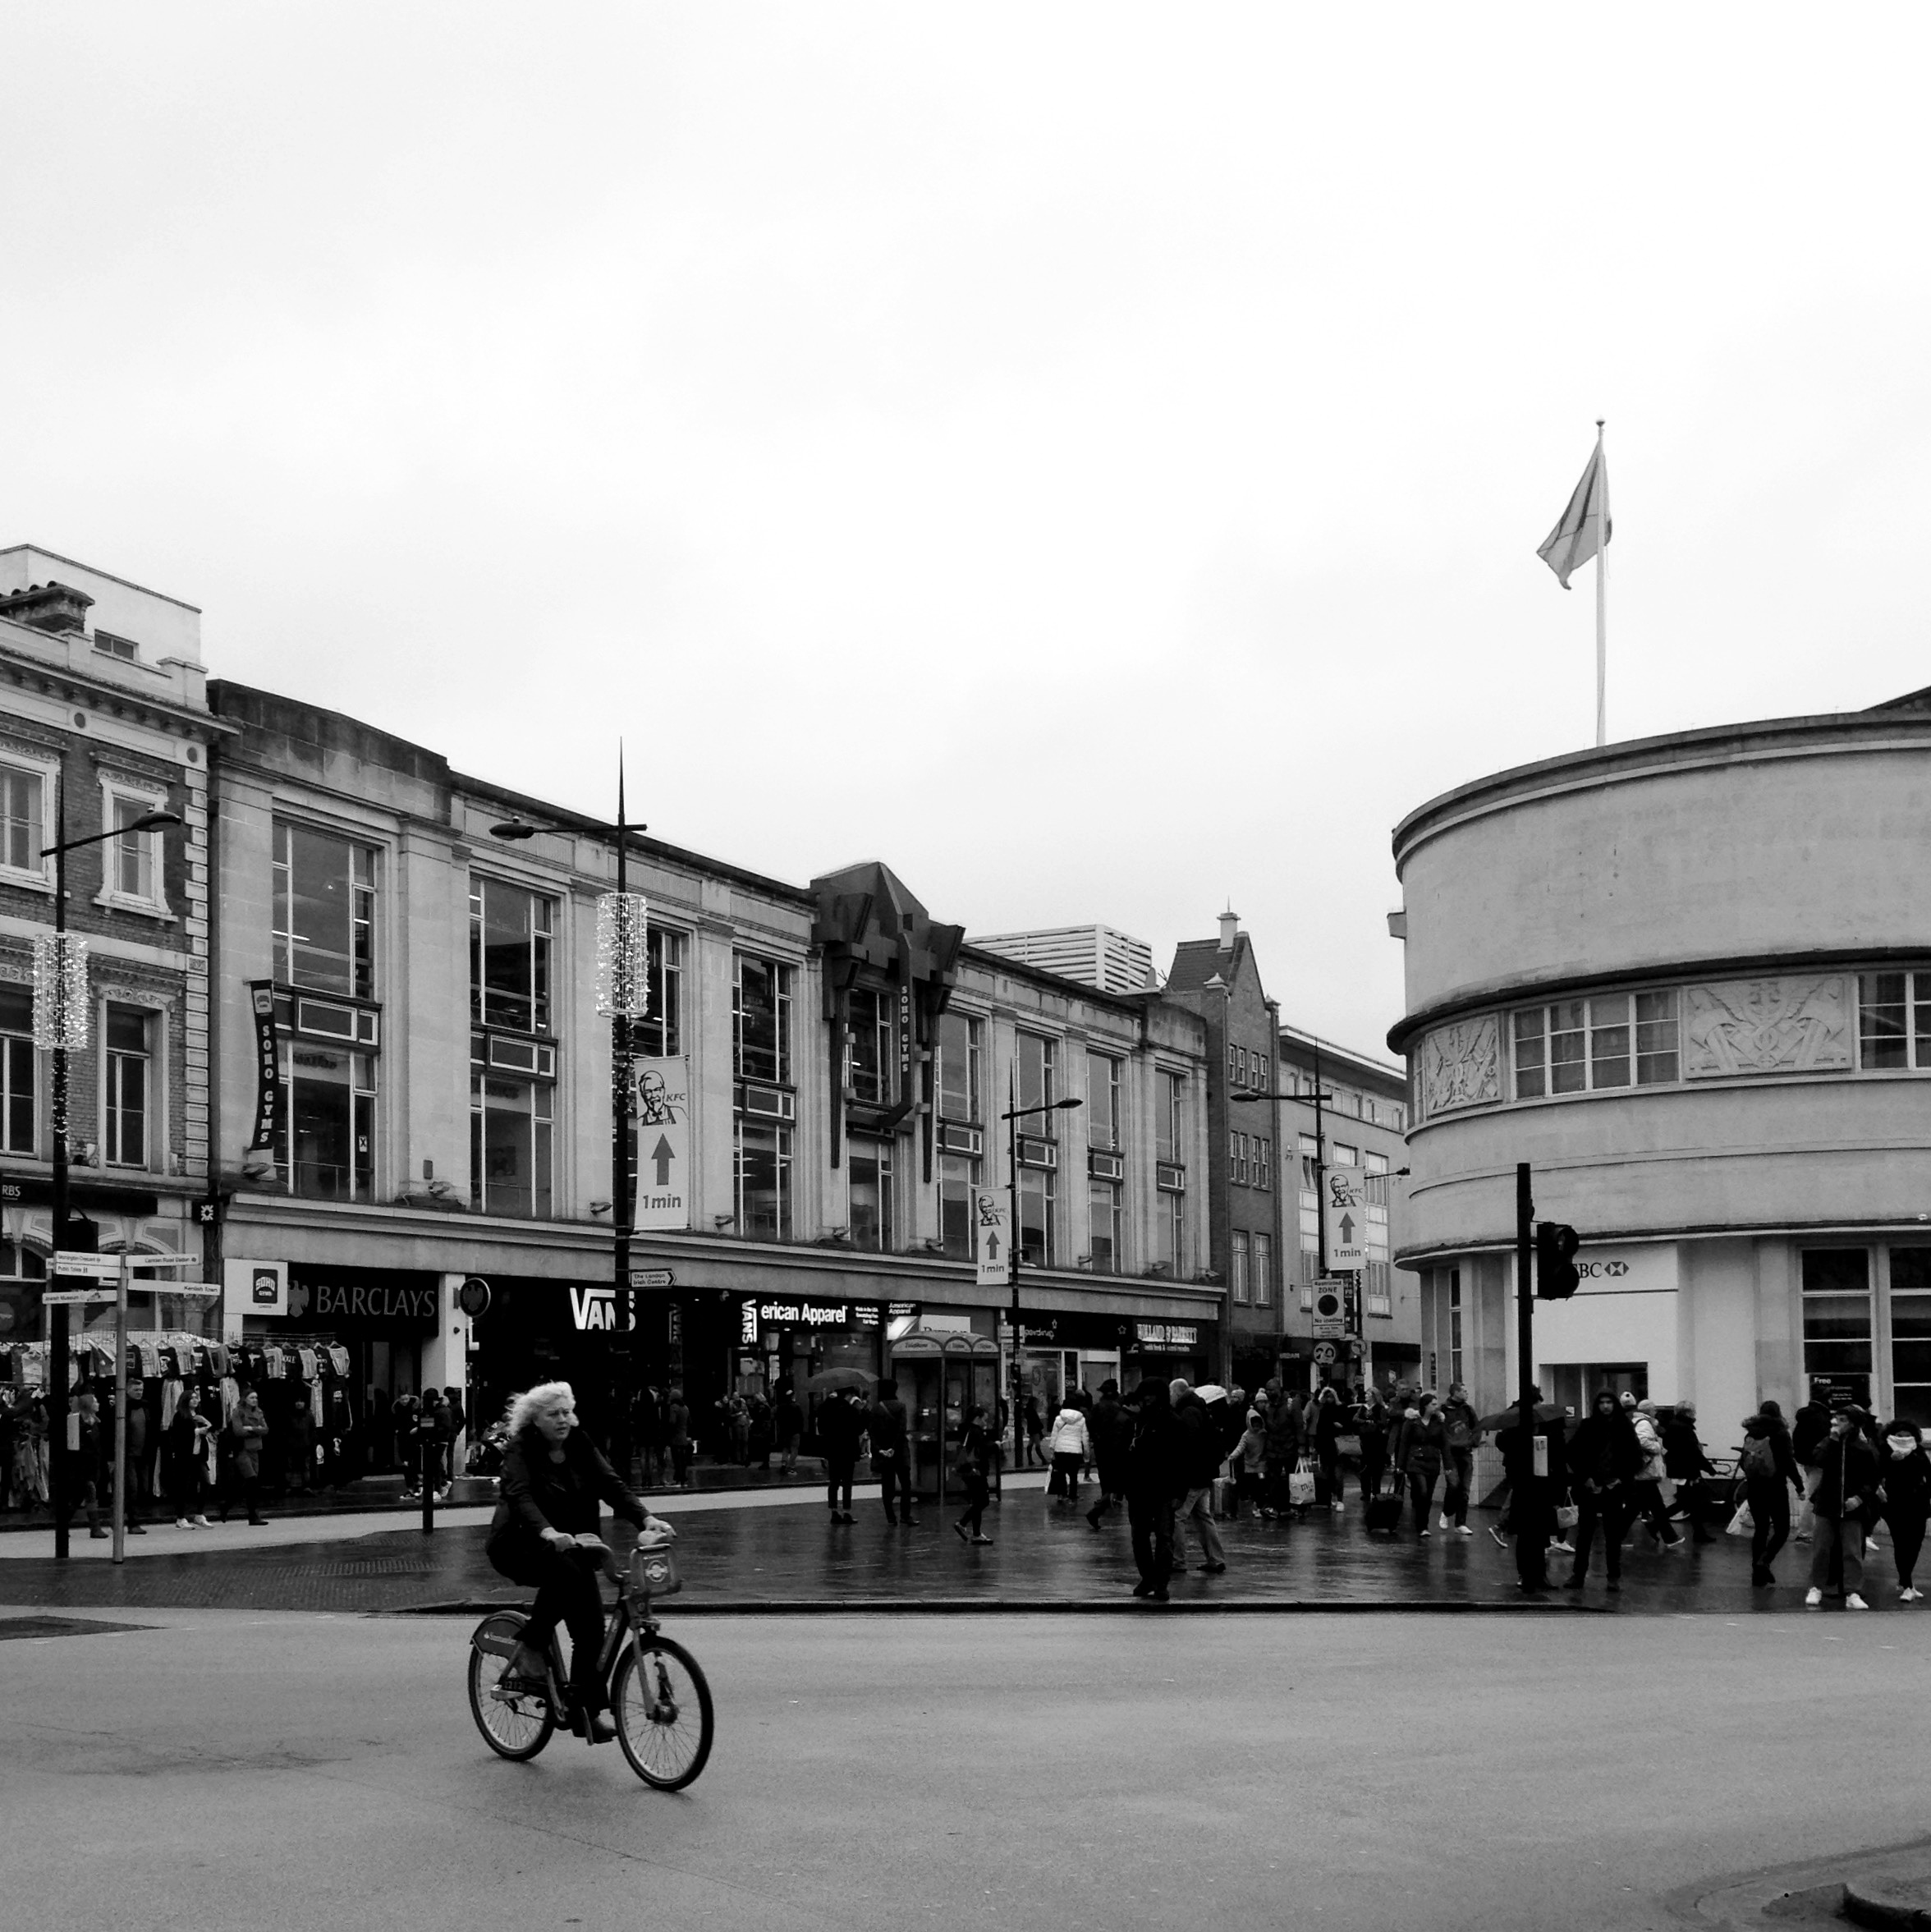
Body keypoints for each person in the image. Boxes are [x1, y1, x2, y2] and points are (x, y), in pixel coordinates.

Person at [486, 1381, 670, 1743]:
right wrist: (547, 1531)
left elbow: (611, 1484)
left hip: (574, 1545)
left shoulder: (580, 1443)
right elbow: (519, 1495)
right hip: (521, 1542)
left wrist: (646, 1518)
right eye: (554, 1414)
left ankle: (584, 1711)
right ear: (534, 1420)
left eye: (567, 1412)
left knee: (590, 1633)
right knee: (566, 1572)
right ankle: (532, 1645)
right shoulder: (521, 1450)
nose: (564, 1420)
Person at [1563, 1388, 1641, 1591]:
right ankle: (1578, 1575)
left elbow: (1635, 1457)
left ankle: (1613, 1576)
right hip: (1590, 1486)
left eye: (1609, 1402)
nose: (1605, 1406)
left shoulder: (1624, 1427)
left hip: (1613, 1487)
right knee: (1585, 1534)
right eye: (1602, 1403)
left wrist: (1620, 1480)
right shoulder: (1588, 1426)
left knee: (1613, 1535)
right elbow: (1572, 1452)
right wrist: (1584, 1477)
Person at [1806, 1407, 1878, 1609]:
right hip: (1826, 1504)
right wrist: (1832, 1440)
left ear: (1853, 1424)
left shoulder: (1864, 1449)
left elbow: (1872, 1479)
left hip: (1852, 1507)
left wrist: (1860, 1498)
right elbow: (1817, 1460)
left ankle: (1852, 1591)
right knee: (1821, 1548)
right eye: (1836, 1419)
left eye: (1843, 1420)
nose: (1838, 1423)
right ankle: (1816, 1586)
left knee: (1852, 1551)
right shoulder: (1828, 1443)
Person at [1495, 1390, 1565, 1590]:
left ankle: (1540, 1574)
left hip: (1544, 1485)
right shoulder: (1514, 1424)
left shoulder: (1549, 1424)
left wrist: (1559, 1487)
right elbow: (1503, 1444)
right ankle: (1526, 1574)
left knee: (1541, 1533)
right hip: (1524, 1484)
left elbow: (1559, 1453)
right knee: (1526, 1533)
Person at [1124, 1379, 1183, 1601]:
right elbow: (1126, 1457)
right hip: (1139, 1490)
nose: (1147, 1399)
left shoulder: (1172, 1422)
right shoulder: (1136, 1422)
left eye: (1151, 1394)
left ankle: (1160, 1581)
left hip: (1163, 1490)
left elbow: (1181, 1460)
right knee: (1139, 1537)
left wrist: (1179, 1492)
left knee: (1164, 1538)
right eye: (1144, 1395)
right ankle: (1149, 1577)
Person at [1736, 1401, 1805, 1586]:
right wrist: (1799, 1486)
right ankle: (1764, 1561)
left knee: (1761, 1529)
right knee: (1782, 1529)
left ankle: (1756, 1574)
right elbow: (1789, 1462)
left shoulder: (1751, 1433)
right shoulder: (1780, 1433)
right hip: (1775, 1486)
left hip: (1754, 1487)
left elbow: (1743, 1461)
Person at [1171, 1381, 1228, 1574]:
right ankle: (1216, 1558)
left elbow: (1189, 1444)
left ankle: (1177, 1560)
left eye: (1171, 1393)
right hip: (1204, 1473)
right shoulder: (1201, 1409)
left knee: (1177, 1516)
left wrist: (1182, 1473)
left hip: (1192, 1475)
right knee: (1203, 1516)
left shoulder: (1188, 1412)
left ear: (1177, 1393)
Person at [1878, 1420, 1929, 1601]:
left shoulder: (1918, 1451)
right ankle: (1907, 1584)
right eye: (1899, 1435)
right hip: (1895, 1502)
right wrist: (1891, 1462)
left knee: (1915, 1542)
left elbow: (1928, 1473)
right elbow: (1877, 1472)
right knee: (1901, 1543)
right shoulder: (1885, 1451)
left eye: (1907, 1435)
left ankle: (1905, 1581)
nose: (1903, 1439)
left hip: (1918, 1502)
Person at [1390, 1391, 1450, 1539]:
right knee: (1422, 1491)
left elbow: (1444, 1444)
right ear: (1425, 1406)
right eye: (1433, 1404)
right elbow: (1404, 1444)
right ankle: (1421, 1525)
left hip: (1432, 1462)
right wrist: (1400, 1466)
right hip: (1415, 1461)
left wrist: (1448, 1465)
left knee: (1427, 1496)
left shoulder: (1438, 1422)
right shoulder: (1412, 1422)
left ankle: (1423, 1524)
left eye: (1437, 1404)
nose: (1436, 1407)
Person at [1662, 1400, 1718, 1544]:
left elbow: (1667, 1444)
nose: (1695, 1414)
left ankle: (1699, 1533)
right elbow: (1694, 1451)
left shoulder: (1673, 1425)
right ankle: (1657, 1522)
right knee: (1687, 1502)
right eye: (1693, 1411)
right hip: (1686, 1470)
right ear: (1687, 1413)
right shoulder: (1685, 1428)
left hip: (1679, 1469)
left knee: (1690, 1503)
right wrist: (1709, 1468)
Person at [165, 1389, 214, 1529]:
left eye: (196, 1398)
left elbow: (211, 1429)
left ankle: (199, 1514)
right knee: (183, 1487)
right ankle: (180, 1518)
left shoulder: (199, 1416)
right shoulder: (180, 1416)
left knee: (206, 1482)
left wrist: (205, 1422)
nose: (195, 1400)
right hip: (185, 1456)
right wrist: (198, 1431)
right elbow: (179, 1435)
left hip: (199, 1456)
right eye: (191, 1398)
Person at [1085, 1379, 1130, 1527]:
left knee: (1105, 1474)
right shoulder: (1120, 1408)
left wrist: (1097, 1438)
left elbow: (1090, 1424)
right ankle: (1112, 1498)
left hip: (1102, 1447)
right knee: (1119, 1478)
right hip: (1119, 1448)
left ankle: (1106, 1497)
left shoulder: (1098, 1408)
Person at [869, 1379, 915, 1526]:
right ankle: (905, 1515)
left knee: (887, 1484)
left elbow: (872, 1431)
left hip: (883, 1452)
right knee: (905, 1484)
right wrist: (894, 1448)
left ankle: (890, 1517)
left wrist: (879, 1449)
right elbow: (901, 1429)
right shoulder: (900, 1406)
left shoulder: (875, 1409)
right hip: (900, 1451)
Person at [1790, 1383, 1832, 1542]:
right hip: (1818, 1463)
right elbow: (1826, 1441)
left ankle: (1809, 1531)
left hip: (1809, 1461)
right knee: (1816, 1496)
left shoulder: (1806, 1416)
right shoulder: (1820, 1418)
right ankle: (1804, 1532)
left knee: (1816, 1495)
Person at [1438, 1382, 1482, 1535]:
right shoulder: (1443, 1410)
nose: (1466, 1393)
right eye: (1463, 1391)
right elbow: (1439, 1429)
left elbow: (1476, 1427)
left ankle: (1460, 1523)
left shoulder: (1468, 1410)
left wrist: (1473, 1442)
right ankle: (1447, 1512)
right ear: (1455, 1392)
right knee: (1453, 1485)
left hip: (1465, 1452)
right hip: (1450, 1454)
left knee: (1465, 1489)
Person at [222, 1388, 270, 1526]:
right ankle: (253, 1515)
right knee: (252, 1480)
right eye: (251, 1398)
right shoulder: (238, 1412)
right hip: (242, 1449)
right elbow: (238, 1431)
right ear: (244, 1399)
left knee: (243, 1484)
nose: (254, 1400)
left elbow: (266, 1429)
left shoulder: (259, 1412)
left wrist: (251, 1429)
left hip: (255, 1449)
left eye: (256, 1398)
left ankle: (226, 1505)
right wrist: (257, 1430)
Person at [817, 1386, 862, 1523]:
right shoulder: (851, 1410)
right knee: (847, 1482)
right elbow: (859, 1429)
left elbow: (822, 1428)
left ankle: (834, 1511)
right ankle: (847, 1511)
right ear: (848, 1395)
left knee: (834, 1481)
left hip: (833, 1449)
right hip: (848, 1449)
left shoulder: (826, 1407)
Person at [952, 1403, 993, 1544]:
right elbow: (983, 1450)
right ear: (977, 1418)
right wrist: (996, 1446)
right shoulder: (976, 1432)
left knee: (978, 1501)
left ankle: (977, 1533)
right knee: (983, 1501)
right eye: (984, 1420)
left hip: (967, 1470)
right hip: (976, 1470)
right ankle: (962, 1523)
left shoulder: (965, 1430)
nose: (985, 1423)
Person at [1262, 1379, 1301, 1520]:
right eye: (1267, 1389)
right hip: (1273, 1448)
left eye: (1272, 1389)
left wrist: (1302, 1446)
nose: (1269, 1392)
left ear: (1279, 1389)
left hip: (1290, 1446)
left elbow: (1299, 1426)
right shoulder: (1267, 1406)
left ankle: (1296, 1507)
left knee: (1294, 1479)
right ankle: (1274, 1507)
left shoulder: (1291, 1404)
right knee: (1273, 1479)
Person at [1046, 1398, 1092, 1509]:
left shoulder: (1058, 1419)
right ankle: (1072, 1497)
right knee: (1073, 1475)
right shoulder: (1081, 1420)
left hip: (1060, 1449)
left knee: (1060, 1473)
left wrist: (1052, 1450)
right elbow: (1085, 1439)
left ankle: (1061, 1495)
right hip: (1075, 1451)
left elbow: (1054, 1436)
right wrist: (1087, 1454)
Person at [665, 1385, 693, 1487]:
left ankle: (677, 1478)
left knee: (676, 1460)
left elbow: (672, 1422)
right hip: (684, 1436)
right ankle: (683, 1478)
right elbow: (690, 1422)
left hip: (675, 1437)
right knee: (683, 1460)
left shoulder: (674, 1407)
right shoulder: (685, 1407)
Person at [773, 1387, 805, 1478]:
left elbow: (778, 1418)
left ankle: (784, 1463)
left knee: (785, 1448)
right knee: (794, 1449)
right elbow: (801, 1419)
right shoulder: (797, 1407)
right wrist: (800, 1430)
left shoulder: (781, 1407)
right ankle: (791, 1465)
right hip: (795, 1431)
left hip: (785, 1431)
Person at [1021, 1393, 1045, 1469]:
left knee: (1030, 1444)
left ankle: (1030, 1460)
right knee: (1037, 1445)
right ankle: (1042, 1459)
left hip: (1032, 1429)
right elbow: (1036, 1421)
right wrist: (1040, 1427)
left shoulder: (1028, 1410)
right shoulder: (1032, 1411)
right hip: (1035, 1429)